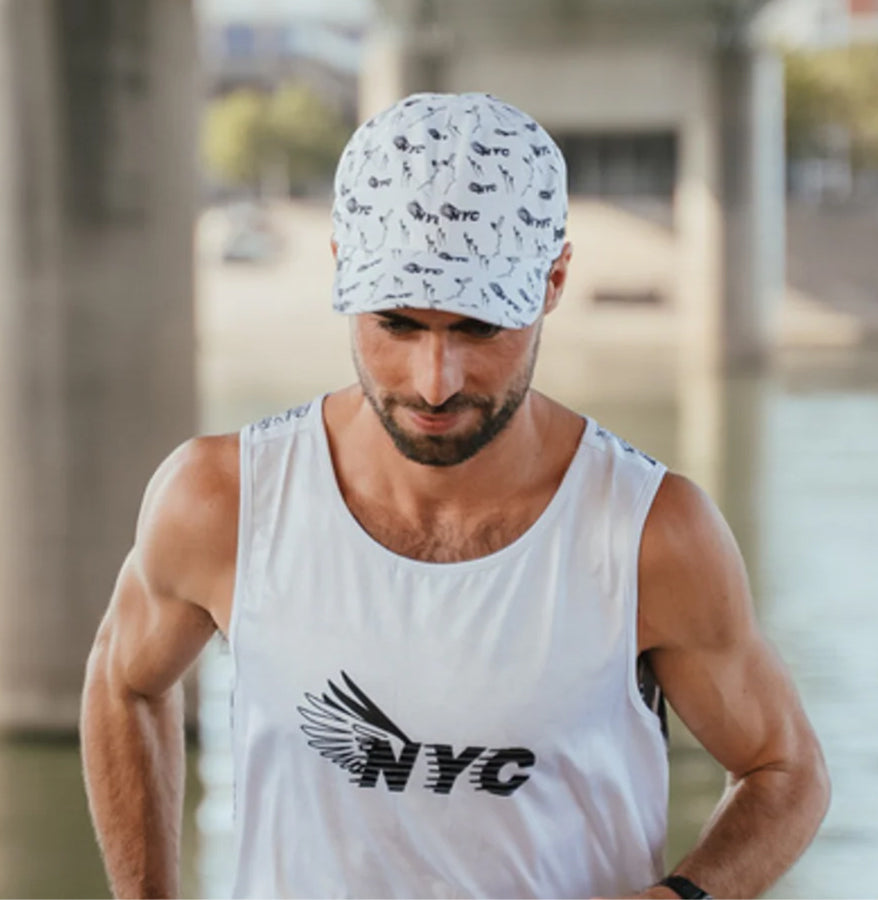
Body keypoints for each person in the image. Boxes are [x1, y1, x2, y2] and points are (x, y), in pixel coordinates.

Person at [80, 92, 829, 900]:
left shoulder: (651, 532)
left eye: (478, 328)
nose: (434, 382)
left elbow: (784, 769)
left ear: (554, 281)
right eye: (397, 325)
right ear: (340, 267)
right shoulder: (223, 500)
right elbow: (123, 684)